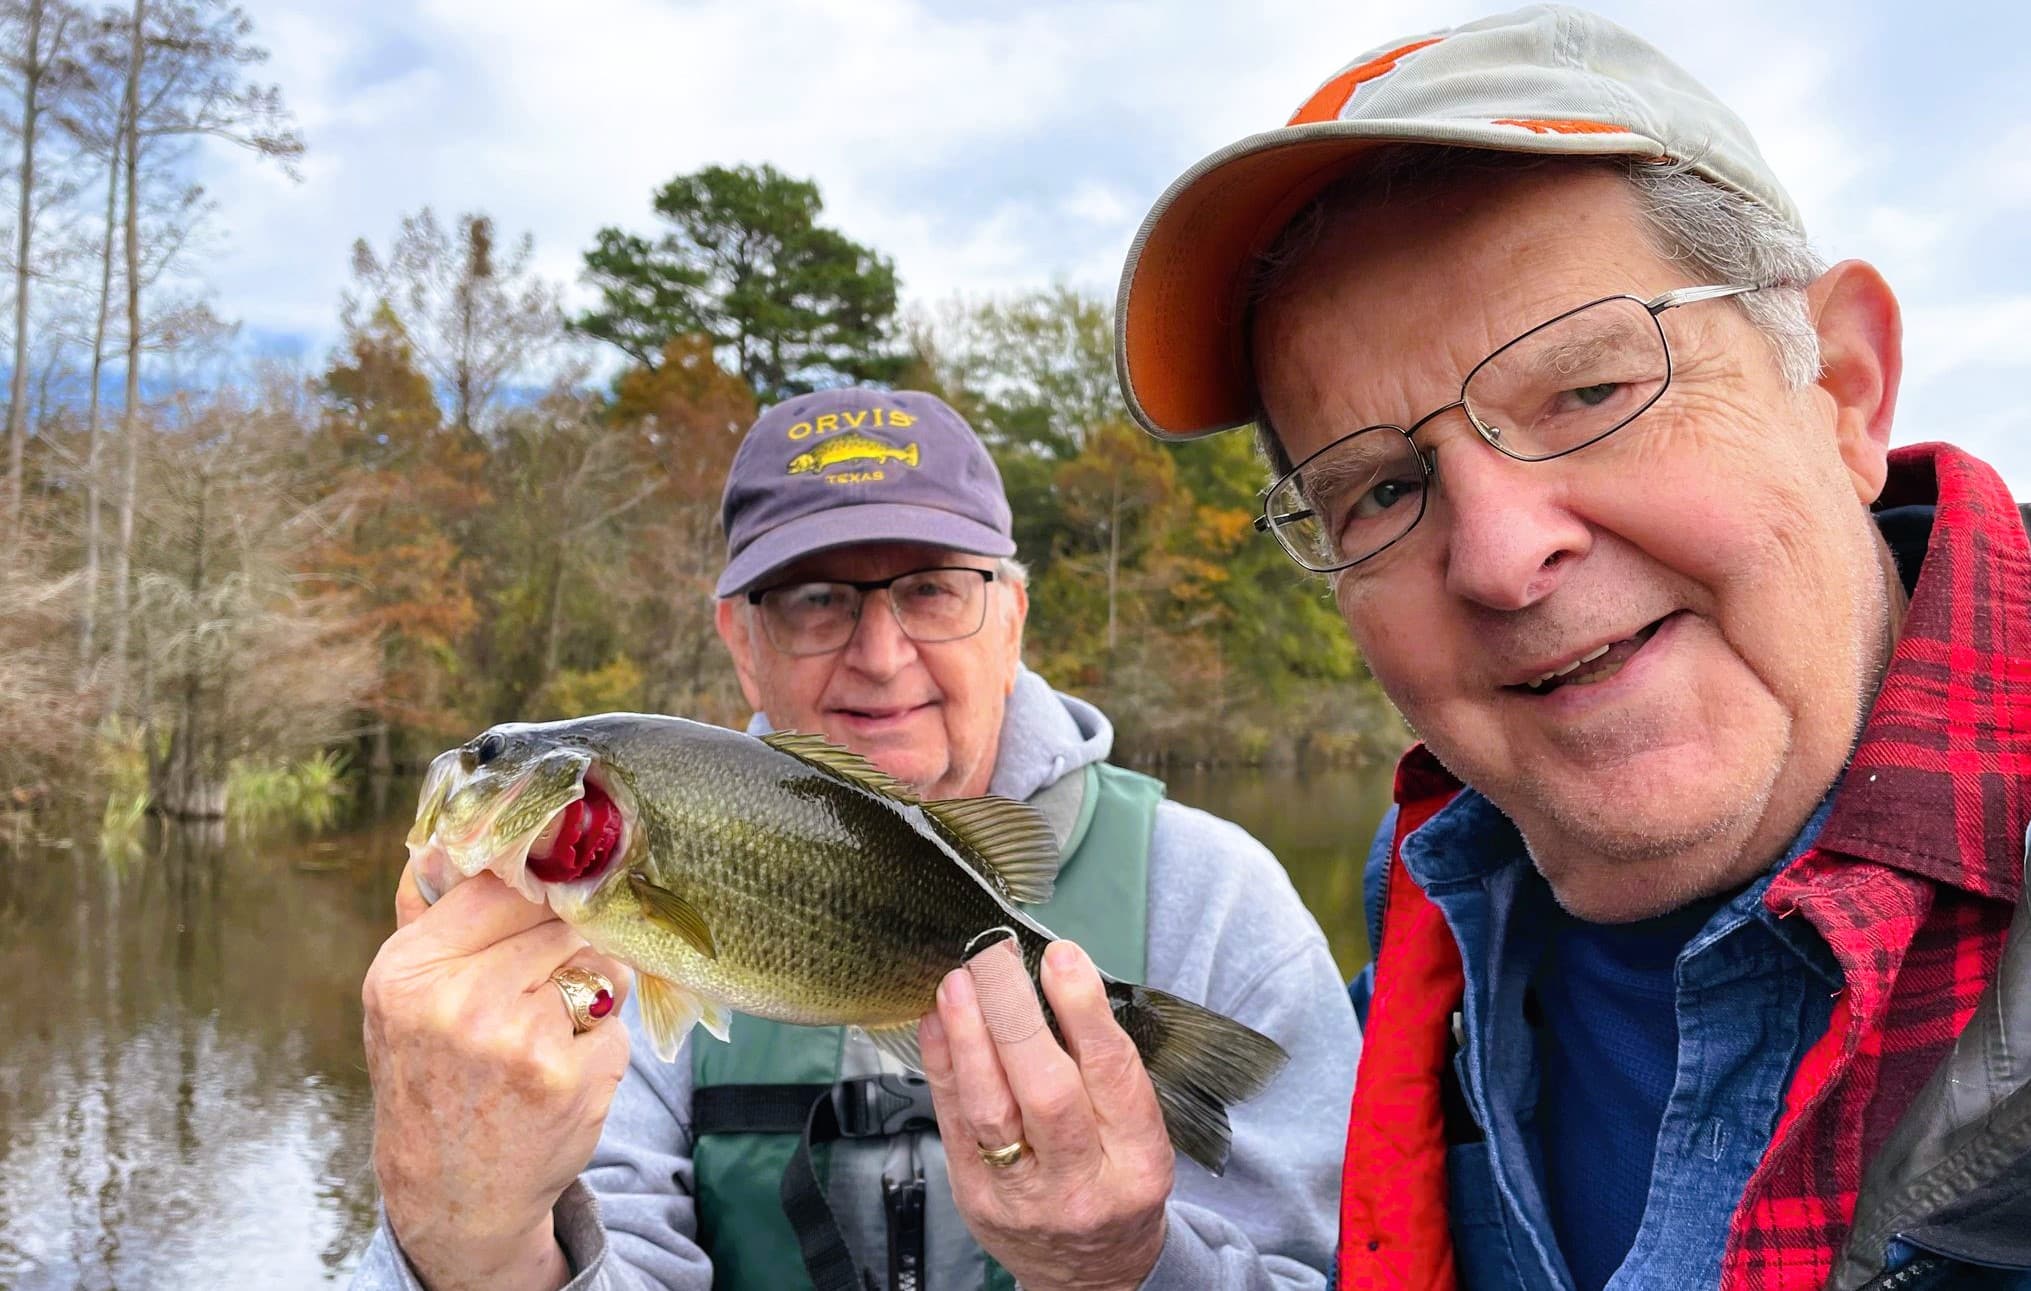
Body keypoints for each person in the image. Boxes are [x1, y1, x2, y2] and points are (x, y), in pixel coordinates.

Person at [1090, 5, 2031, 1289]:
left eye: (1590, 390)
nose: (1495, 553)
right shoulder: (1443, 887)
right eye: (1375, 489)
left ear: (1844, 387)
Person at [351, 386, 1356, 1291]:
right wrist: (468, 1250)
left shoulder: (1222, 902)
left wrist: (1128, 1269)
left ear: (1010, 617)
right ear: (741, 644)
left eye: (932, 589)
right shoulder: (576, 940)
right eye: (815, 601)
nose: (881, 657)